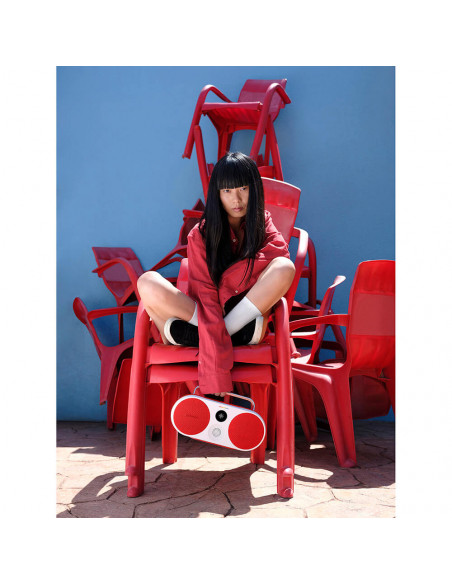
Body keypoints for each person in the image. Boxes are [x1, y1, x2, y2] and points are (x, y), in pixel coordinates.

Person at [137, 152, 296, 396]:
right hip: (203, 314)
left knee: (285, 267)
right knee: (147, 281)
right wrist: (216, 368)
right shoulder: (201, 234)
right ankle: (222, 335)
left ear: (254, 189)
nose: (236, 199)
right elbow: (205, 293)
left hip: (243, 318)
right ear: (217, 194)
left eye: (243, 189)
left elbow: (279, 253)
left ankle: (217, 333)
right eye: (227, 191)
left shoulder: (262, 222)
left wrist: (226, 286)